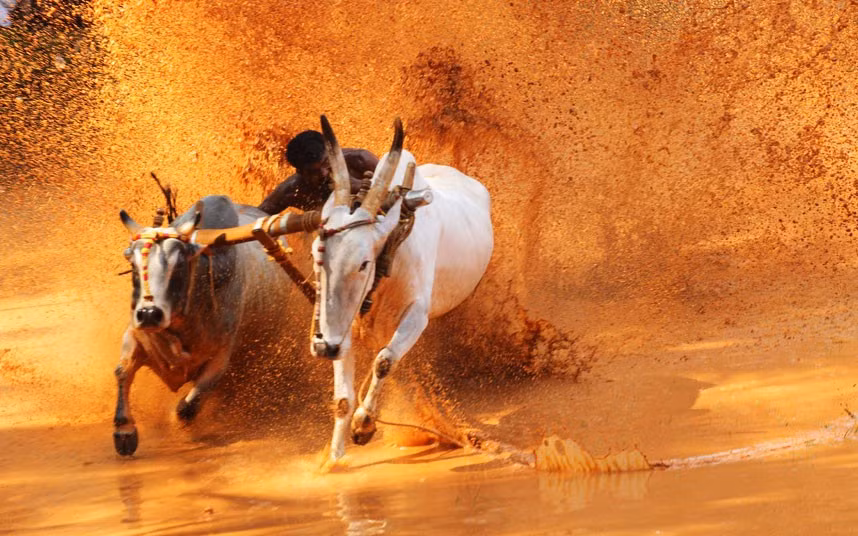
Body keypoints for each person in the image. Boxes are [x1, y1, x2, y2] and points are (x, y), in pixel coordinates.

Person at [258, 130, 379, 214]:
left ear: (330, 152)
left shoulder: (360, 160)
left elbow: (396, 189)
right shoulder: (292, 192)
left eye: (326, 162)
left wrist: (358, 186)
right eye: (313, 172)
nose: (324, 173)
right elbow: (255, 219)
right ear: (300, 172)